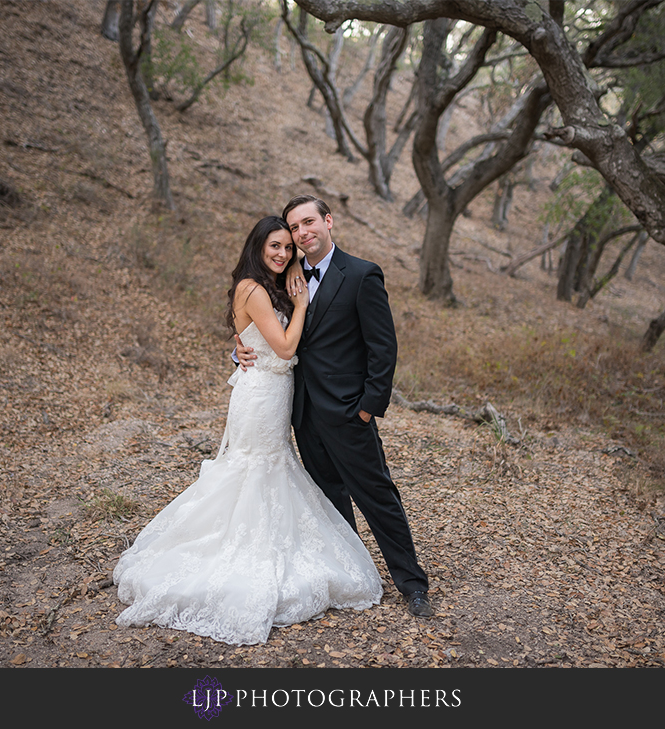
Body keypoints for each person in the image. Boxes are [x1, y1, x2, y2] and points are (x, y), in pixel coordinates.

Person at [112, 216, 382, 646]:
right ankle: (236, 551)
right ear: (256, 247)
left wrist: (249, 340)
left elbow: (259, 338)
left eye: (287, 248)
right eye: (274, 246)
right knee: (252, 469)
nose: (282, 254)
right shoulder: (252, 289)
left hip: (274, 394)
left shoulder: (267, 285)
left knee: (272, 469)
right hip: (260, 397)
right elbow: (287, 346)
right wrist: (302, 306)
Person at [236, 195, 432, 618]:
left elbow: (383, 348)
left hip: (348, 412)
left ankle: (412, 583)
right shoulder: (284, 274)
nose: (302, 233)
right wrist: (239, 351)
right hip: (301, 413)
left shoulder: (361, 275)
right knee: (328, 500)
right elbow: (264, 329)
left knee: (377, 495)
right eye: (294, 228)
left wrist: (367, 408)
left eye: (309, 223)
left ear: (328, 221)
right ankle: (353, 575)